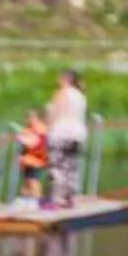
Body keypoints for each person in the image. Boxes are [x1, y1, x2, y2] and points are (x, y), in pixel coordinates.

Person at [44, 71, 88, 208]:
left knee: (57, 166)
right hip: (77, 134)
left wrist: (47, 126)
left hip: (60, 132)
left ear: (66, 79)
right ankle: (71, 197)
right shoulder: (80, 95)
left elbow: (55, 113)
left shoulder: (62, 93)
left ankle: (57, 198)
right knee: (71, 166)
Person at [15, 108, 50, 205]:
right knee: (26, 180)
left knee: (33, 180)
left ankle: (37, 199)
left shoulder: (40, 129)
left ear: (37, 118)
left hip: (35, 160)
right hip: (28, 160)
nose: (29, 120)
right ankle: (24, 198)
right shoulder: (28, 129)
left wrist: (22, 138)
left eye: (31, 117)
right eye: (27, 117)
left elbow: (34, 143)